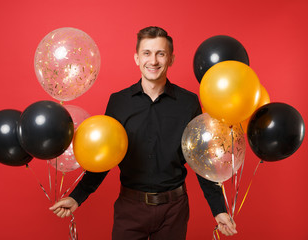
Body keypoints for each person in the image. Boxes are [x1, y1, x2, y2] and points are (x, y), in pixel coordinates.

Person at [50, 26, 238, 239]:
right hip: (130, 208)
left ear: (171, 59)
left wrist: (219, 209)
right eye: (147, 53)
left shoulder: (189, 102)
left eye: (161, 53)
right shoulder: (118, 102)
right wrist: (77, 197)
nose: (154, 61)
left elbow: (201, 158)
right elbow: (104, 155)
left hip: (174, 210)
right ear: (137, 58)